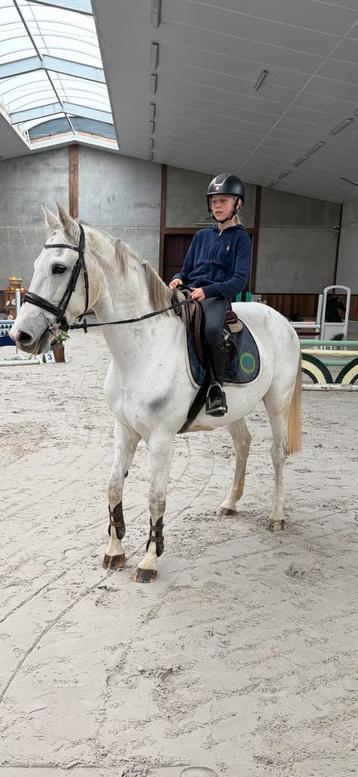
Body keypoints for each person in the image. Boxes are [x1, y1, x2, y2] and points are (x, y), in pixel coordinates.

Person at [169, 173, 251, 416]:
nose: (217, 206)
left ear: (237, 204)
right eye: (214, 201)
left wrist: (208, 291)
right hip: (190, 290)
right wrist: (178, 278)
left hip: (215, 296)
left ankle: (216, 388)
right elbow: (187, 268)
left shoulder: (241, 239)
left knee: (212, 330)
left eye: (223, 201)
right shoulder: (201, 236)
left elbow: (239, 280)